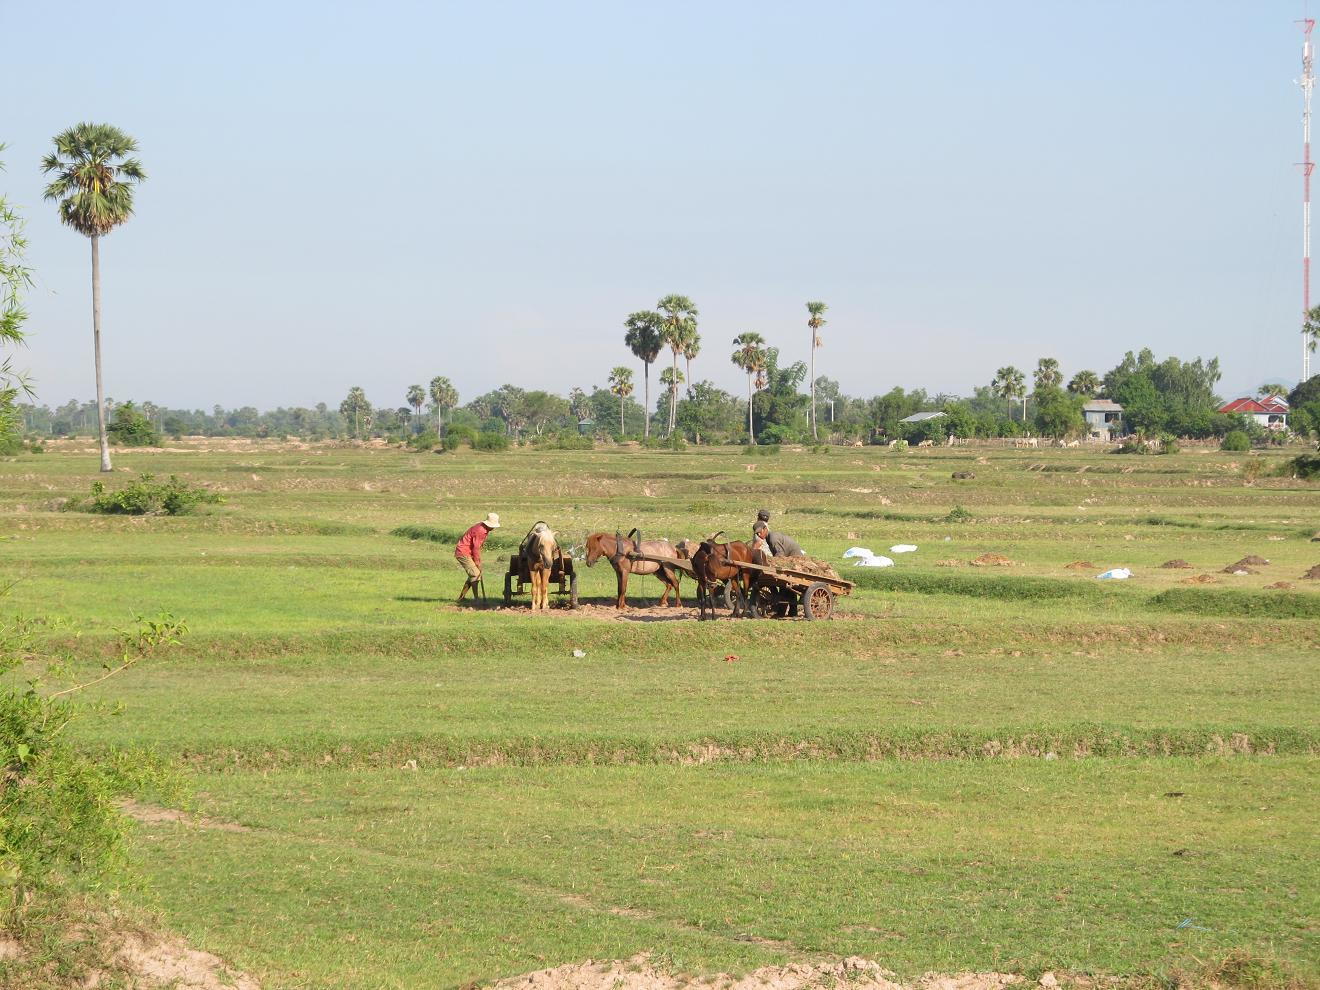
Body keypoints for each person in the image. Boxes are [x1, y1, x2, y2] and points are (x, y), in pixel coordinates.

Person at [456, 512, 500, 603]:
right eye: (493, 526)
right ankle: (476, 600)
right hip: (464, 552)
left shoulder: (482, 527)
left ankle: (461, 598)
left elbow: (476, 547)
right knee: (475, 575)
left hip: (467, 551)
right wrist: (478, 563)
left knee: (472, 575)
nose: (494, 528)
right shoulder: (481, 530)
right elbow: (476, 548)